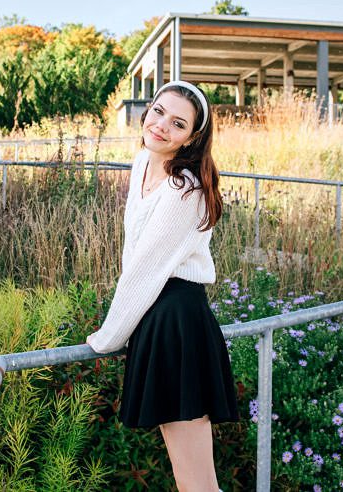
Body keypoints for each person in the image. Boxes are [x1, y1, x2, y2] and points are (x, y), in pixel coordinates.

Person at [86, 80, 238, 492]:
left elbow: (146, 270)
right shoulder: (142, 163)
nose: (160, 126)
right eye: (157, 112)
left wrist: (107, 337)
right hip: (156, 317)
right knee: (187, 478)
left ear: (192, 138)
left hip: (177, 322)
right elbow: (133, 252)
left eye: (177, 123)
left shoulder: (182, 190)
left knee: (197, 484)